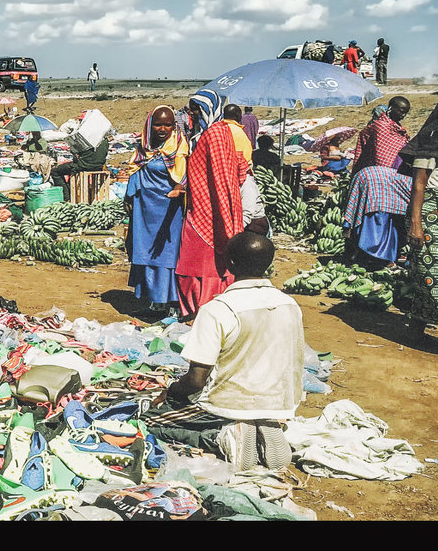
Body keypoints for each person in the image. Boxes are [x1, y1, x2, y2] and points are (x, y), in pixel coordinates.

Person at [142, 232, 304, 471]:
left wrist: (172, 391)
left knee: (151, 421)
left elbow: (197, 380)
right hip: (277, 403)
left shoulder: (218, 309)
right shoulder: (289, 305)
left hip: (227, 404)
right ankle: (262, 427)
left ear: (230, 263)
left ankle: (221, 438)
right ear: (269, 264)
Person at [171, 95, 247, 320]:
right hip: (203, 206)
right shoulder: (212, 132)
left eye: (196, 110)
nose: (191, 114)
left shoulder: (214, 134)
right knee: (199, 263)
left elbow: (220, 174)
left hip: (208, 210)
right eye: (190, 109)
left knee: (197, 264)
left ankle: (202, 308)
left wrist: (224, 212)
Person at [125, 105, 190, 317]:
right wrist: (129, 197)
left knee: (167, 255)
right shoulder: (143, 148)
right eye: (158, 124)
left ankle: (170, 302)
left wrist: (179, 188)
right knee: (144, 252)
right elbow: (135, 171)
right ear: (150, 125)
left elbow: (184, 176)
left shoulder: (179, 147)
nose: (163, 129)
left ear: (174, 125)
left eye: (168, 124)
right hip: (145, 210)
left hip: (168, 210)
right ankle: (153, 302)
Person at [401, 95, 438, 332]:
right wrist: (415, 224)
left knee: (431, 276)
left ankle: (417, 324)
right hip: (433, 212)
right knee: (436, 272)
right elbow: (418, 185)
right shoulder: (434, 140)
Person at [343, 164, 412, 270]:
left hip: (372, 176)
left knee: (388, 222)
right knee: (379, 222)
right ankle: (377, 258)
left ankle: (368, 255)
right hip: (377, 183)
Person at [350, 96, 410, 175]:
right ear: (390, 108)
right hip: (380, 170)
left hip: (397, 168)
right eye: (401, 112)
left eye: (405, 113)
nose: (403, 115)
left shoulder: (399, 129)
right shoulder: (380, 126)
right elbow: (378, 153)